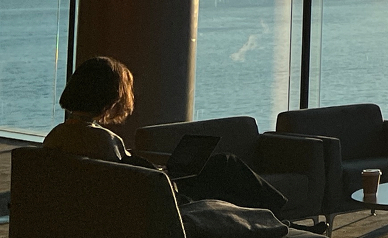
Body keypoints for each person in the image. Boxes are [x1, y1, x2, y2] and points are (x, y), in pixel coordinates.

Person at [45, 56, 287, 212]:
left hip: (145, 194)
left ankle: (279, 220)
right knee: (226, 167)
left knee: (222, 170)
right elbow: (132, 182)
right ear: (111, 98)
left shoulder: (57, 136)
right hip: (159, 200)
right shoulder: (103, 140)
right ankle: (281, 215)